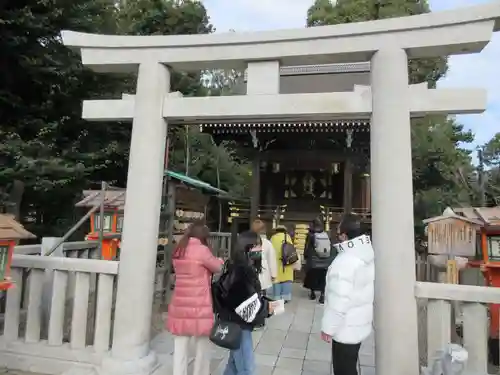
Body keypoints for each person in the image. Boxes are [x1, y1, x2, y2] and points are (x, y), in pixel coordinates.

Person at [167, 221, 224, 375]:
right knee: (202, 346)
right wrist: (220, 260)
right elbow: (217, 267)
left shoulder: (179, 249)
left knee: (180, 347)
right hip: (200, 304)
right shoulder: (202, 251)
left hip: (180, 303)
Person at [320, 214, 374, 375]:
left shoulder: (345, 261)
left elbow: (339, 299)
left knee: (343, 369)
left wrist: (328, 328)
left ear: (344, 234)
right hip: (358, 322)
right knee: (350, 365)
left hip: (346, 326)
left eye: (338, 230)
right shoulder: (366, 254)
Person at [214, 231, 274, 375]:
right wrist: (266, 308)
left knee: (234, 365)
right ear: (247, 248)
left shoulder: (237, 268)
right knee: (247, 369)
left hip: (236, 323)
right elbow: (245, 305)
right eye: (257, 246)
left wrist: (265, 303)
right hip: (239, 325)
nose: (260, 250)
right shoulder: (241, 272)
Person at [303, 218, 333, 304]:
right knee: (323, 278)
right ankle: (322, 295)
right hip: (325, 261)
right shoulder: (326, 234)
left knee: (312, 277)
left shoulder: (311, 235)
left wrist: (305, 256)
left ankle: (312, 294)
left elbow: (307, 247)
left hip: (314, 261)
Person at [251, 219, 278, 295]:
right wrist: (273, 274)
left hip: (250, 274)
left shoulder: (248, 241)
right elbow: (271, 260)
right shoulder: (267, 243)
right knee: (262, 296)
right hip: (263, 273)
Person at [270, 225, 296, 302]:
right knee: (287, 280)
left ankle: (277, 297)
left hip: (276, 263)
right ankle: (286, 298)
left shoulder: (273, 238)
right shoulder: (287, 237)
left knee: (277, 280)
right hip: (287, 263)